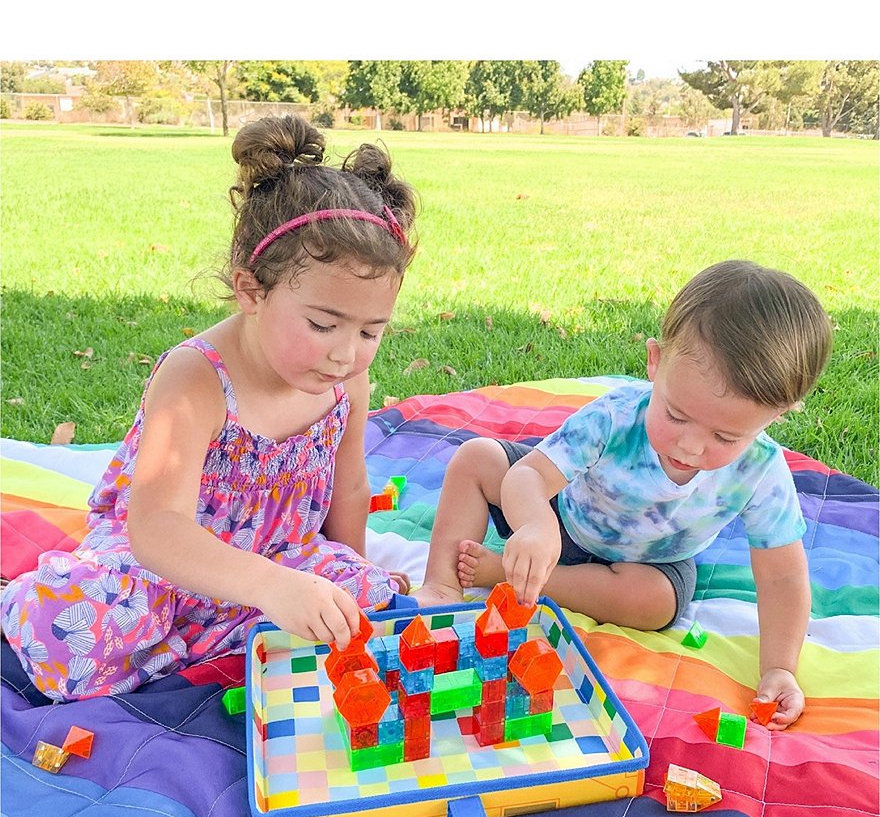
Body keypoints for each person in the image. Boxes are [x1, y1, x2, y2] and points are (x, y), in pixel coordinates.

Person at [1, 115, 418, 701]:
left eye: (372, 331)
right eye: (324, 325)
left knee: (370, 607)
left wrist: (348, 580)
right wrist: (271, 587)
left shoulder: (345, 379)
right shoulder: (196, 377)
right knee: (73, 629)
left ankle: (216, 639)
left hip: (283, 557)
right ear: (251, 291)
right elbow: (156, 528)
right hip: (166, 568)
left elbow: (349, 490)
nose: (346, 353)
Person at [414, 260, 833, 730]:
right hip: (561, 516)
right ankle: (442, 585)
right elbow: (528, 476)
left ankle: (511, 576)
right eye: (675, 415)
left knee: (655, 604)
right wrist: (536, 525)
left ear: (777, 414)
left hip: (650, 562)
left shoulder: (762, 470)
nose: (691, 447)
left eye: (725, 437)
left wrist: (780, 667)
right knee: (477, 458)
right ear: (655, 362)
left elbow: (782, 578)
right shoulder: (615, 416)